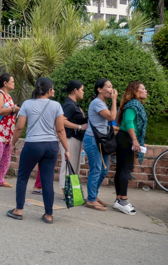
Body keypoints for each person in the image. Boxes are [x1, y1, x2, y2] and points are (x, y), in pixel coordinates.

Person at [7, 77, 70, 224]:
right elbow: (60, 130)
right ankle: (48, 215)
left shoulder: (27, 104)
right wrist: (66, 149)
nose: (53, 91)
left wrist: (13, 143)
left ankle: (19, 210)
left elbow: (19, 127)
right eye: (52, 88)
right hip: (51, 146)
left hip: (33, 145)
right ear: (48, 90)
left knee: (23, 176)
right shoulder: (56, 106)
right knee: (47, 180)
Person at [83, 78, 118, 211]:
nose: (111, 90)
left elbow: (104, 124)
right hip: (92, 140)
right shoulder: (97, 103)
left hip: (101, 141)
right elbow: (111, 117)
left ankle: (93, 195)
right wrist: (114, 100)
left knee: (103, 170)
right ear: (99, 89)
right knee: (96, 169)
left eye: (112, 87)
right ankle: (91, 200)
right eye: (108, 87)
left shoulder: (102, 103)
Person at [114, 82, 148, 215]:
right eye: (143, 89)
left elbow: (133, 124)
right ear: (135, 91)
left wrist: (139, 141)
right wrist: (134, 140)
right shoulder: (132, 105)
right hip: (126, 138)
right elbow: (128, 122)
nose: (146, 91)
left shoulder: (134, 105)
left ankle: (118, 200)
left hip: (126, 138)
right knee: (124, 169)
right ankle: (123, 200)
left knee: (122, 169)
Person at [57, 80, 87, 198]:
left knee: (74, 167)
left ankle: (72, 193)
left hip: (76, 139)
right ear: (75, 91)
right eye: (82, 90)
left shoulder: (73, 104)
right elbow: (62, 121)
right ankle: (66, 194)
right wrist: (79, 127)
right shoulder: (69, 105)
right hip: (70, 138)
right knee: (68, 166)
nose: (83, 92)